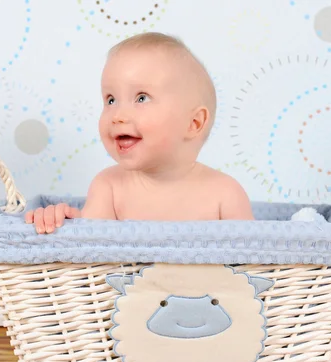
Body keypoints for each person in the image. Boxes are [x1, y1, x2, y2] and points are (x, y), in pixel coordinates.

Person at [26, 32, 254, 234]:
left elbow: (254, 263)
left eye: (141, 98)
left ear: (193, 123)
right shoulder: (109, 187)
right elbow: (90, 254)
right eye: (111, 100)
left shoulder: (225, 195)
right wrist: (63, 221)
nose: (118, 115)